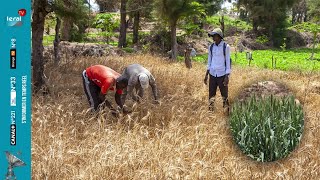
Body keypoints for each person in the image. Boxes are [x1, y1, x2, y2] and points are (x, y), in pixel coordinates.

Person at [204, 28, 231, 112]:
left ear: (219, 36)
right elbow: (209, 60)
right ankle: (211, 113)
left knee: (224, 96)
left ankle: (226, 113)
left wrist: (227, 76)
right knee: (211, 96)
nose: (213, 38)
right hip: (212, 74)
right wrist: (206, 75)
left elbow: (228, 61)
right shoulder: (211, 47)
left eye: (214, 36)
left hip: (222, 74)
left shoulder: (225, 47)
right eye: (212, 36)